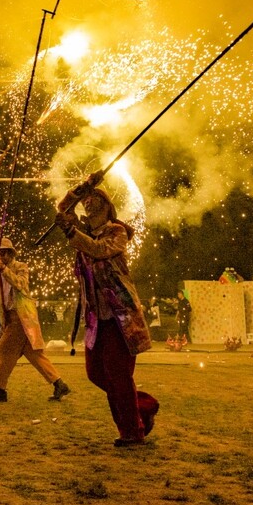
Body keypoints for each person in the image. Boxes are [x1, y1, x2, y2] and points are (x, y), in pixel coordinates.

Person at [55, 173, 158, 447]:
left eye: (94, 198)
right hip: (96, 319)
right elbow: (62, 208)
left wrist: (71, 233)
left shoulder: (117, 231)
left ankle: (132, 432)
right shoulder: (84, 232)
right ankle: (143, 407)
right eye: (85, 200)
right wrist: (81, 189)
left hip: (119, 317)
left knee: (118, 376)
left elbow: (99, 250)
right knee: (96, 374)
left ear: (106, 204)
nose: (88, 202)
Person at [0, 238, 70, 403]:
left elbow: (20, 284)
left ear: (9, 254)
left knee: (3, 350)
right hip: (9, 318)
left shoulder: (21, 267)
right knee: (34, 354)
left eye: (1, 253)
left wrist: (4, 269)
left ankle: (0, 389)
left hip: (21, 317)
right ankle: (59, 384)